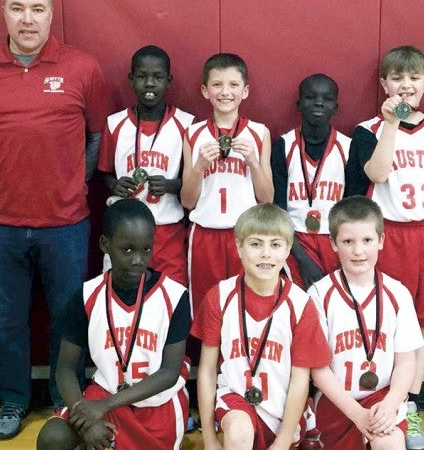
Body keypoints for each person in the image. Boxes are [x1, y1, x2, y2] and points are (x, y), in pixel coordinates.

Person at [0, 0, 112, 440]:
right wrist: (3, 180)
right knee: (8, 319)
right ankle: (12, 400)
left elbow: (96, 136)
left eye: (38, 9)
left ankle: (66, 400)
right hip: (0, 226)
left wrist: (69, 180)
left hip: (66, 224)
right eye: (18, 8)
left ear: (50, 14)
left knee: (68, 317)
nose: (28, 19)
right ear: (3, 10)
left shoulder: (82, 67)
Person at [35, 199, 191, 450]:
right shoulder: (87, 296)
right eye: (127, 249)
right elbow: (64, 368)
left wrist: (100, 409)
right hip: (103, 394)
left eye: (146, 249)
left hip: (155, 405)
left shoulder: (174, 296)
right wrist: (81, 413)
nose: (138, 260)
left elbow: (169, 373)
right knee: (52, 438)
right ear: (105, 246)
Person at [192, 203, 329, 450]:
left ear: (288, 250)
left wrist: (284, 442)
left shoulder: (301, 305)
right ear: (238, 247)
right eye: (255, 244)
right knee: (236, 436)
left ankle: (292, 435)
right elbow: (206, 371)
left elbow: (303, 378)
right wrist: (208, 438)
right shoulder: (219, 296)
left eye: (274, 245)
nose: (265, 254)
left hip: (280, 406)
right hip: (235, 399)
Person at [344, 45, 424, 450]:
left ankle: (408, 406)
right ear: (384, 84)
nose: (405, 85)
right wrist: (391, 123)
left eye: (414, 78)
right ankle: (377, 407)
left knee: (420, 326)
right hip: (392, 232)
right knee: (383, 322)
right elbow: (376, 173)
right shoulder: (367, 129)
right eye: (397, 78)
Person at [307, 196, 423, 450]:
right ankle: (353, 445)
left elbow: (407, 359)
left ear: (382, 241)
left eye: (367, 241)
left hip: (382, 395)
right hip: (340, 401)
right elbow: (318, 369)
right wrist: (356, 415)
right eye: (348, 241)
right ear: (333, 244)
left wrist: (391, 404)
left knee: (390, 445)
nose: (359, 251)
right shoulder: (319, 296)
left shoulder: (398, 293)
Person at [181, 53, 274, 312]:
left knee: (246, 304)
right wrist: (199, 166)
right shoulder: (193, 133)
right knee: (204, 306)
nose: (225, 92)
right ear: (204, 90)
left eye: (233, 85)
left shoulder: (259, 132)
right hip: (205, 234)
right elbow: (187, 201)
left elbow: (267, 198)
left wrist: (254, 163)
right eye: (217, 85)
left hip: (246, 234)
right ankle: (204, 354)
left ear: (245, 91)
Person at [99, 45, 194, 284]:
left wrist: (172, 185)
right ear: (131, 80)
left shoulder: (187, 124)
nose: (149, 83)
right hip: (125, 229)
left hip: (168, 228)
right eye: (142, 77)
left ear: (168, 81)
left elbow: (195, 181)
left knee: (173, 296)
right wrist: (114, 185)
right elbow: (103, 174)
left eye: (157, 77)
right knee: (122, 296)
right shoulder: (115, 123)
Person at [271, 73, 359, 290]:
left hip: (336, 239)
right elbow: (277, 209)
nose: (319, 102)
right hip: (294, 240)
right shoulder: (283, 145)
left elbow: (353, 208)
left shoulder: (348, 147)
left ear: (336, 108)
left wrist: (344, 246)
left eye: (327, 98)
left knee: (335, 305)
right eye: (311, 97)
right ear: (299, 105)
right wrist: (302, 258)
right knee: (300, 306)